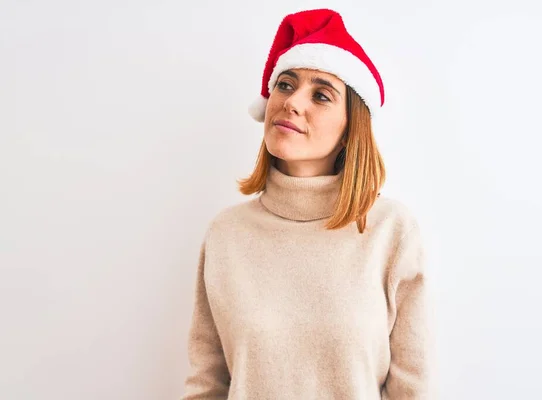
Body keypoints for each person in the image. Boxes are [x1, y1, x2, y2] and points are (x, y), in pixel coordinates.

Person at [180, 8, 431, 400]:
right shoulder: (227, 233)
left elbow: (413, 389)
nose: (292, 103)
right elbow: (207, 383)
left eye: (321, 95)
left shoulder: (390, 230)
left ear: (351, 129)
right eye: (285, 85)